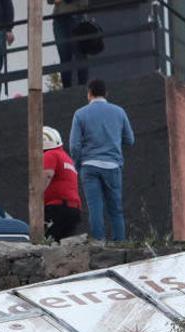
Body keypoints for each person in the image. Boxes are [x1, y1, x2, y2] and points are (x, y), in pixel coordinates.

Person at [69, 79, 135, 242]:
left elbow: (74, 146)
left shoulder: (80, 114)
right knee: (116, 209)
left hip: (89, 166)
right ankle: (120, 243)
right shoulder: (119, 112)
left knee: (95, 209)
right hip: (113, 166)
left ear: (89, 93)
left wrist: (78, 164)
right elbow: (130, 140)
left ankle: (99, 243)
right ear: (106, 93)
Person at [42, 126, 81, 241]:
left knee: (46, 242)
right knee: (62, 244)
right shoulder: (66, 158)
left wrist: (37, 194)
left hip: (57, 208)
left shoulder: (50, 154)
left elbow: (47, 174)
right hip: (73, 209)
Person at [47, 0, 89, 88]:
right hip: (59, 19)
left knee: (80, 54)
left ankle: (82, 88)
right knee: (64, 57)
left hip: (76, 15)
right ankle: (67, 89)